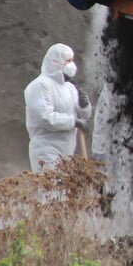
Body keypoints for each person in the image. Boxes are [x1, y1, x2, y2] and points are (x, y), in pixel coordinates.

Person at [25, 43, 92, 172]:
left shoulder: (70, 88)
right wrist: (74, 122)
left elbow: (82, 116)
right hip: (45, 150)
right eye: (67, 61)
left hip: (67, 152)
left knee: (62, 191)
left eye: (72, 60)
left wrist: (84, 106)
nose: (71, 65)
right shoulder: (40, 86)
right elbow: (46, 118)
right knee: (49, 190)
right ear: (55, 62)